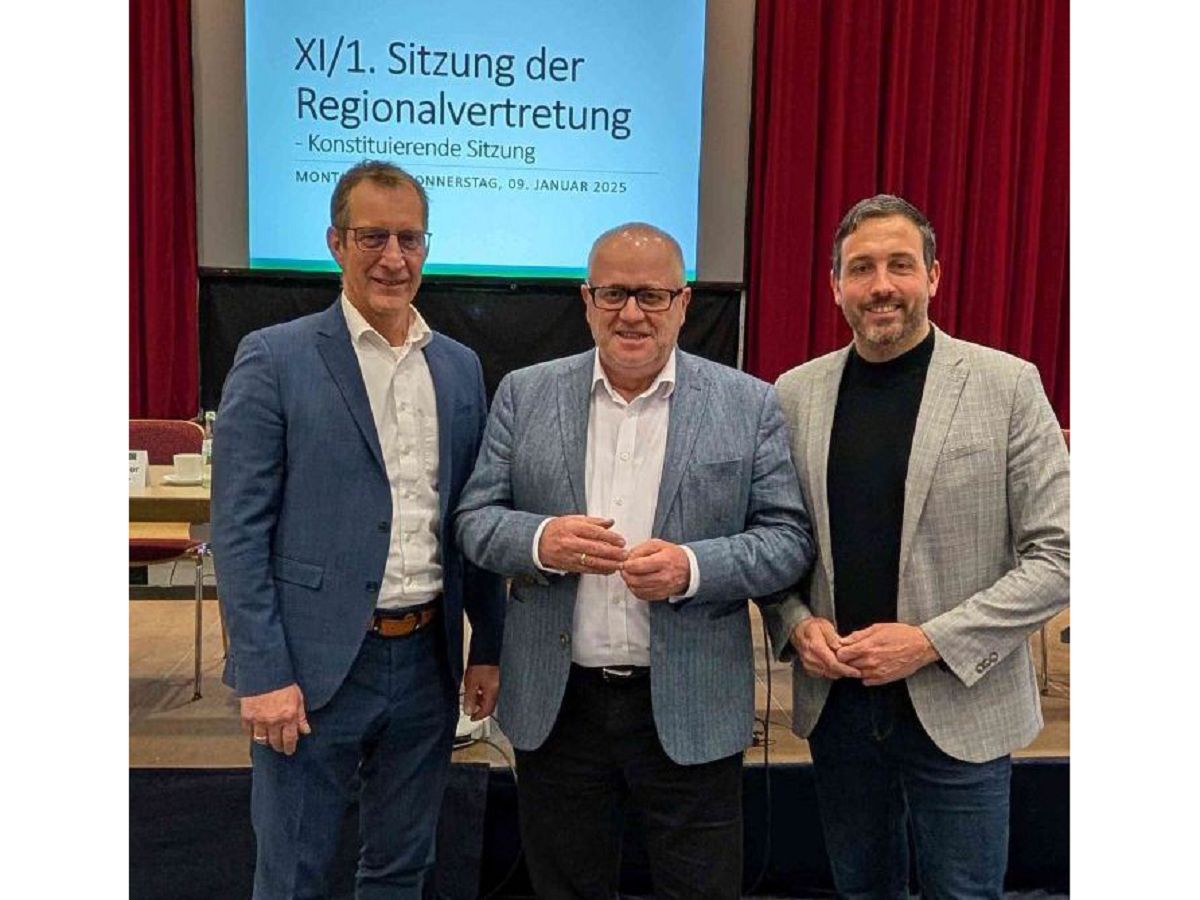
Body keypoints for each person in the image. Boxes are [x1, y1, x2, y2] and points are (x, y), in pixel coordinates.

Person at [455, 223, 814, 900]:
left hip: (690, 701)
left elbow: (787, 539)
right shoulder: (524, 395)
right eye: (614, 293)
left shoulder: (749, 403)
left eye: (651, 295)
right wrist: (540, 542)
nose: (631, 313)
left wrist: (692, 567)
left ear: (683, 302)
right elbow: (475, 522)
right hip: (559, 706)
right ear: (586, 300)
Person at [211, 159, 505, 899]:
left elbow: (474, 517)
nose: (393, 257)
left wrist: (488, 647)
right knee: (294, 874)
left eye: (410, 238)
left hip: (428, 663)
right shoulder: (275, 358)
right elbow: (239, 533)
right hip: (310, 670)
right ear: (336, 242)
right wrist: (263, 672)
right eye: (373, 237)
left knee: (401, 869)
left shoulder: (461, 368)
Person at [763, 194, 1069, 899]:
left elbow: (1060, 557)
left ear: (934, 276)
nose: (881, 285)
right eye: (861, 268)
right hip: (838, 708)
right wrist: (793, 622)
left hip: (960, 703)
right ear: (835, 286)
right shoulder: (794, 394)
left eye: (900, 265)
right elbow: (778, 542)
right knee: (861, 888)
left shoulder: (1008, 385)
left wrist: (929, 641)